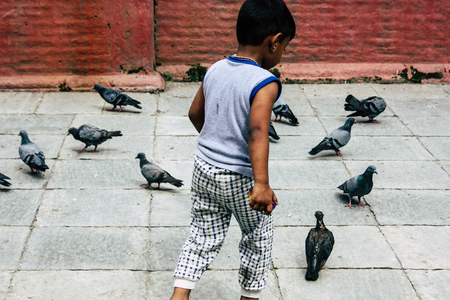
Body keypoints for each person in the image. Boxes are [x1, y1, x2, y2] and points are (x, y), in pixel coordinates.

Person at [170, 0, 295, 299]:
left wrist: (216, 142)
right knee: (257, 237)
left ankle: (179, 295)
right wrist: (261, 183)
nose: (283, 52)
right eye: (286, 47)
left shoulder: (215, 68)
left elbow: (194, 113)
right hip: (240, 179)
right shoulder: (266, 82)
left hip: (204, 168)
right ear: (274, 41)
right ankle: (248, 296)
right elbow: (257, 131)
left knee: (201, 235)